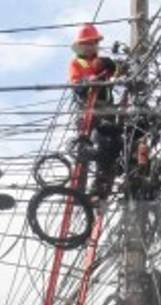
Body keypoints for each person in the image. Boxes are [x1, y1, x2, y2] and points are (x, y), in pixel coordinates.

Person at [67, 24, 124, 199]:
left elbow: (118, 72)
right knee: (85, 148)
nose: (92, 46)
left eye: (94, 43)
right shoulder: (77, 63)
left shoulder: (103, 62)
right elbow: (76, 83)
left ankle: (100, 185)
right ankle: (78, 191)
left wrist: (114, 67)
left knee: (107, 146)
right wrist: (89, 80)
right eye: (88, 43)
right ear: (81, 46)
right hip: (87, 109)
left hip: (106, 109)